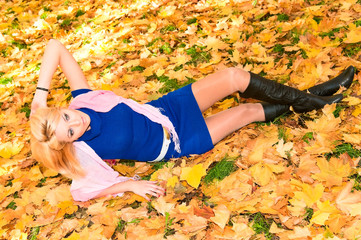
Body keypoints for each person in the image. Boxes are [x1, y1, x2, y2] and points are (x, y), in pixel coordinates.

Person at [30, 39, 355, 202]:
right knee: (246, 112)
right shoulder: (83, 151)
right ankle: (315, 97)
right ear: (69, 142)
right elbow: (81, 192)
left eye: (68, 118)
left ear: (63, 108)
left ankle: (312, 98)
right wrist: (127, 184)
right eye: (70, 133)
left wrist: (40, 96)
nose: (78, 125)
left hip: (164, 110)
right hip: (177, 143)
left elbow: (55, 46)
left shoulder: (83, 99)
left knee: (233, 76)